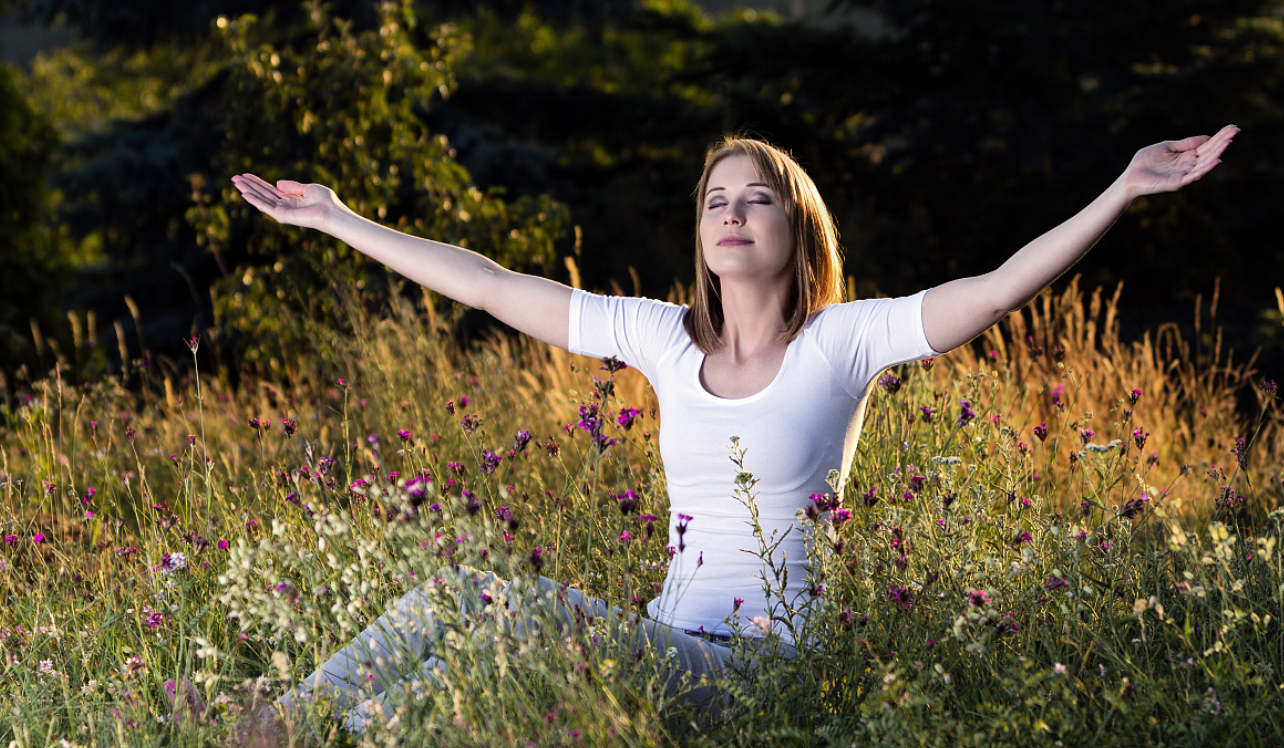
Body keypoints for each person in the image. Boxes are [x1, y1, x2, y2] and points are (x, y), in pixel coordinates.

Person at [226, 125, 1237, 732]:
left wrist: (1125, 187)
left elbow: (996, 286)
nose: (735, 211)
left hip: (763, 671)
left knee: (514, 622)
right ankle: (289, 732)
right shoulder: (665, 339)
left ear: (799, 229)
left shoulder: (844, 342)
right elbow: (491, 286)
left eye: (759, 199)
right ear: (702, 234)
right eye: (718, 199)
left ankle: (295, 739)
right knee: (459, 619)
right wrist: (337, 218)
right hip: (666, 645)